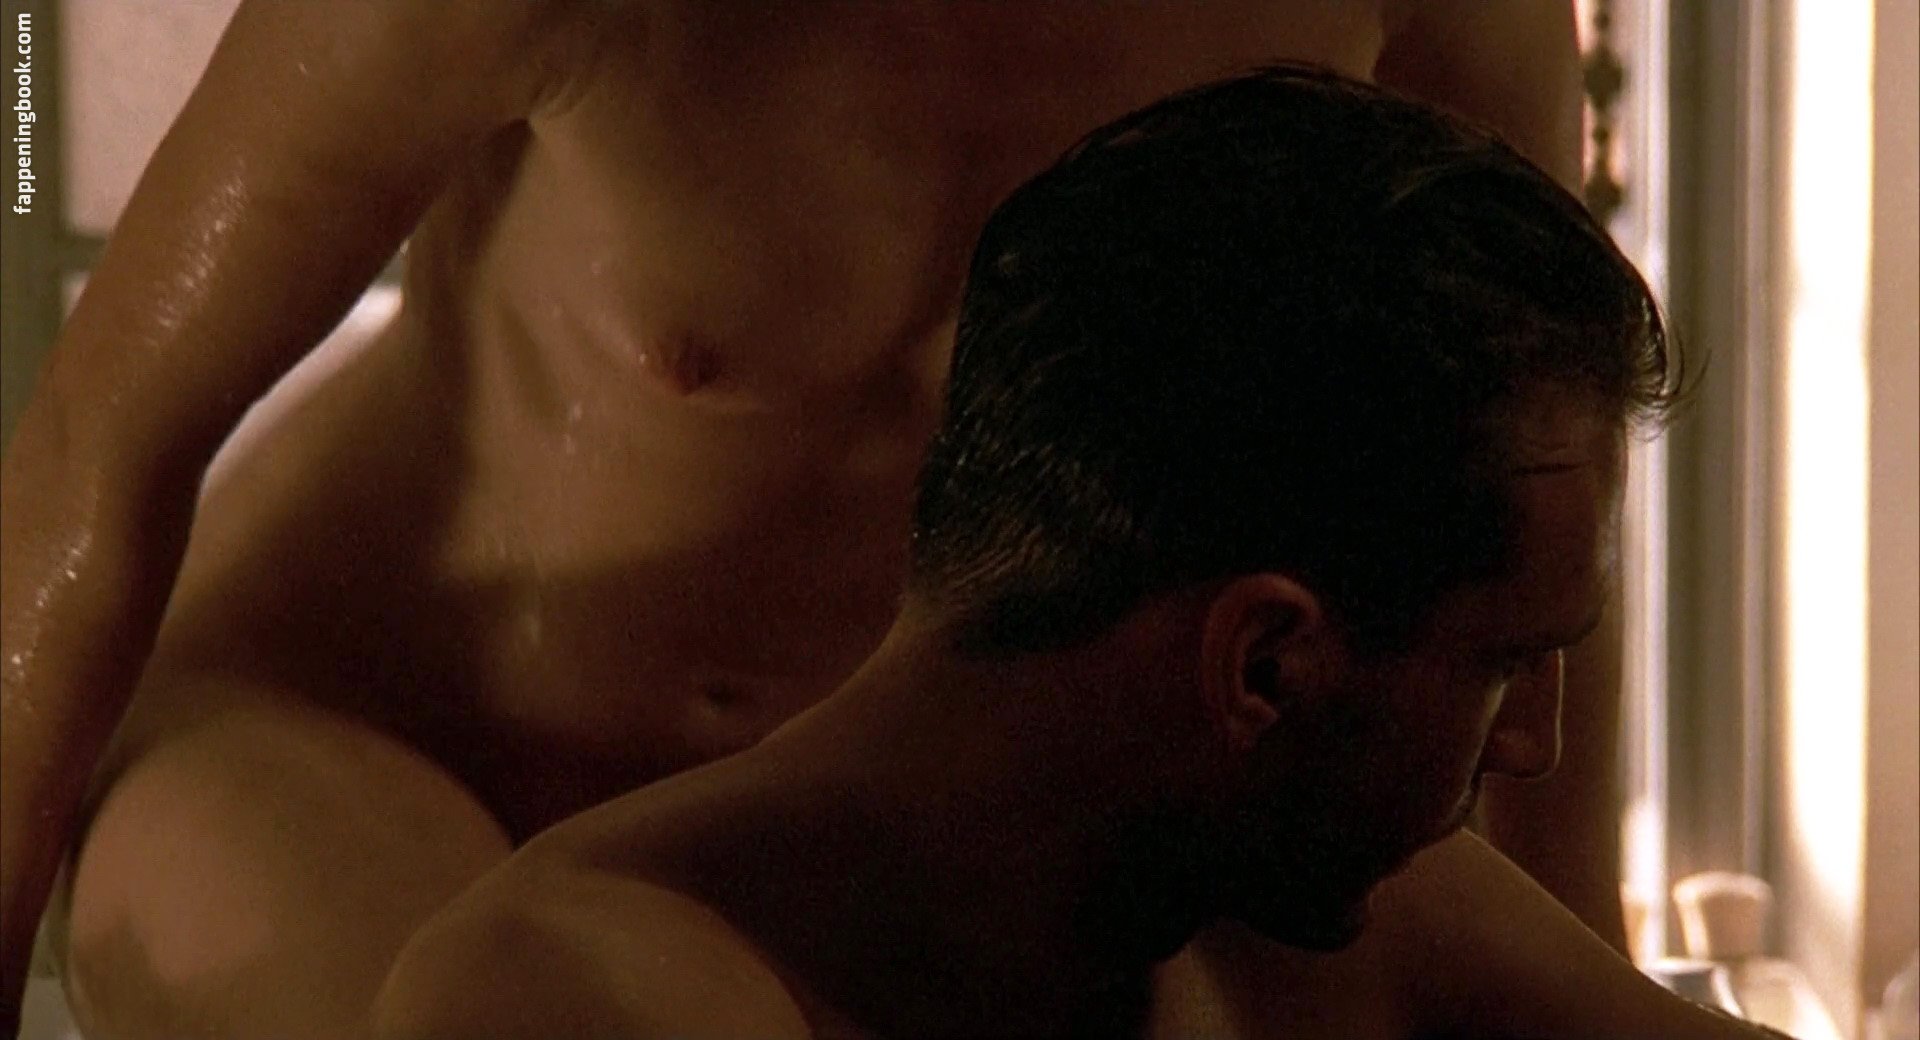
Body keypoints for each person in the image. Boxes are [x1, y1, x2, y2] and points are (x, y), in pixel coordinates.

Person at [0, 2, 1620, 1036]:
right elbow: (95, 449)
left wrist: (1590, 952)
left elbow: (1529, 518)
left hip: (939, 808)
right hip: (352, 722)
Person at [373, 67, 1763, 1039]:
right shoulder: (584, 998)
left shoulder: (1332, 905)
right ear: (1266, 665)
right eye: (1505, 665)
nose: (1531, 747)